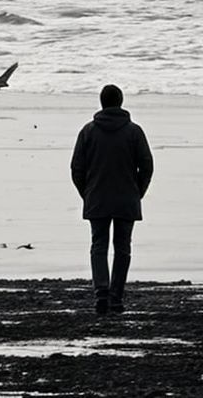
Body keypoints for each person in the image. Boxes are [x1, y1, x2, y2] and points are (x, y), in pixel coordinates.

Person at [69, 83, 154, 315]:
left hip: (97, 197)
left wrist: (86, 193)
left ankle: (101, 294)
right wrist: (138, 192)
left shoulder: (88, 131)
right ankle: (116, 297)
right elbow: (147, 166)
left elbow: (77, 168)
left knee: (98, 246)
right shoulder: (134, 132)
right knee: (122, 248)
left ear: (102, 103)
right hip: (127, 198)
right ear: (121, 102)